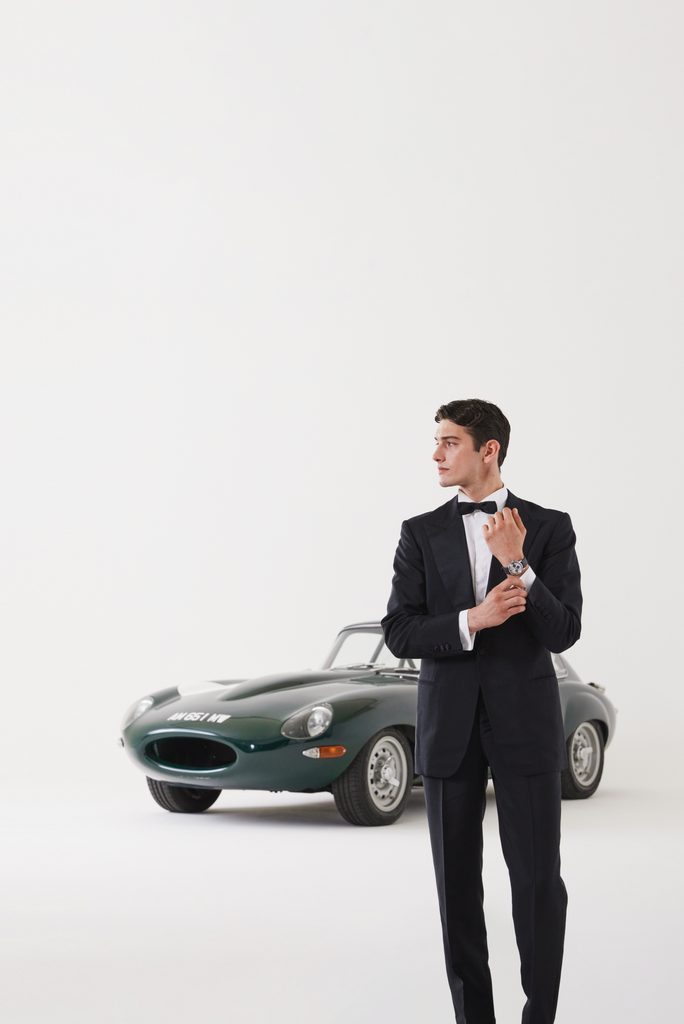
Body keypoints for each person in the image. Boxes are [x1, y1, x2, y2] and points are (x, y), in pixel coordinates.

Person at [381, 398, 582, 1024]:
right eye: (436, 442)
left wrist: (518, 562)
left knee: (538, 884)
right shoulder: (420, 531)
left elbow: (564, 632)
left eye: (449, 442)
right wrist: (474, 619)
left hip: (526, 725)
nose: (436, 454)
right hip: (449, 728)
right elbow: (400, 631)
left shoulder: (549, 526)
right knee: (457, 891)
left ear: (488, 450)